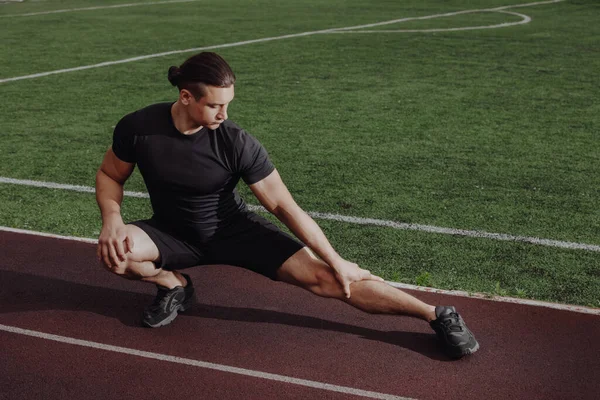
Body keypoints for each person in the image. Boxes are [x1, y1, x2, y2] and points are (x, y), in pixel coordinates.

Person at [95, 52, 479, 359]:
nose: (225, 115)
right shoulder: (139, 127)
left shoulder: (235, 142)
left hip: (233, 231)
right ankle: (173, 284)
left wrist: (335, 258)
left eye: (229, 104)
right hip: (171, 231)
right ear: (185, 97)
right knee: (117, 254)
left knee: (331, 281)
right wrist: (112, 218)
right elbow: (111, 175)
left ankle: (436, 315)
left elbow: (283, 206)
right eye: (215, 106)